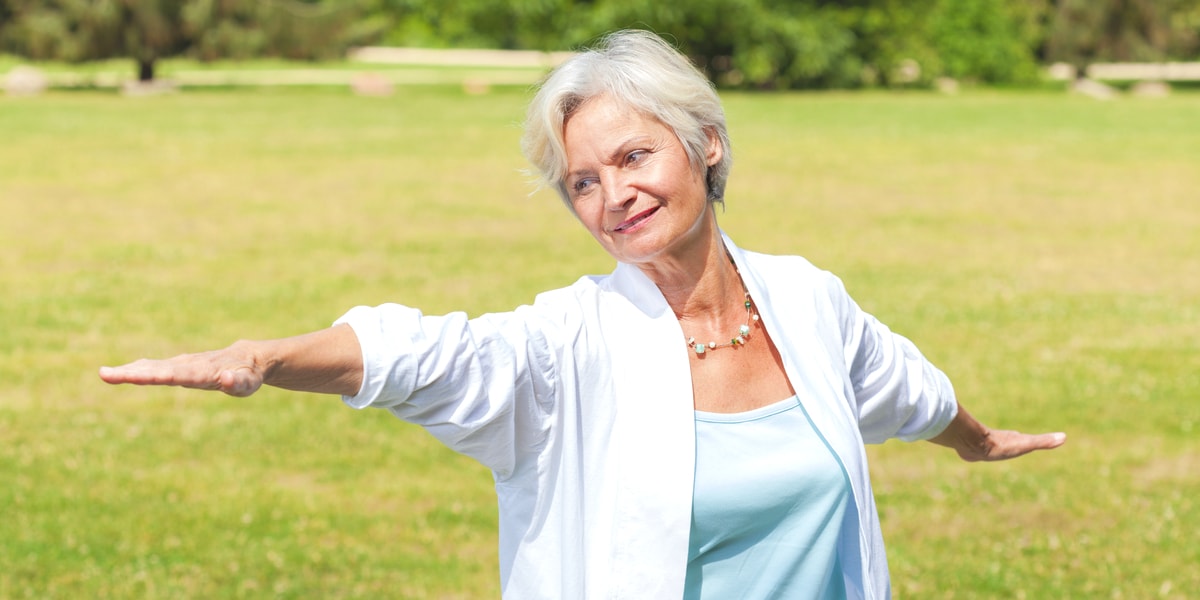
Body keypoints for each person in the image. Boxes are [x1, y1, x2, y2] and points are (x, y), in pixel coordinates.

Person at [100, 30, 1066, 599]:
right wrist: (268, 355)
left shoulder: (806, 298)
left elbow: (898, 386)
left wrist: (976, 439)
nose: (614, 196)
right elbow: (426, 356)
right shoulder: (570, 345)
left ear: (707, 146)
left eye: (636, 158)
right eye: (583, 182)